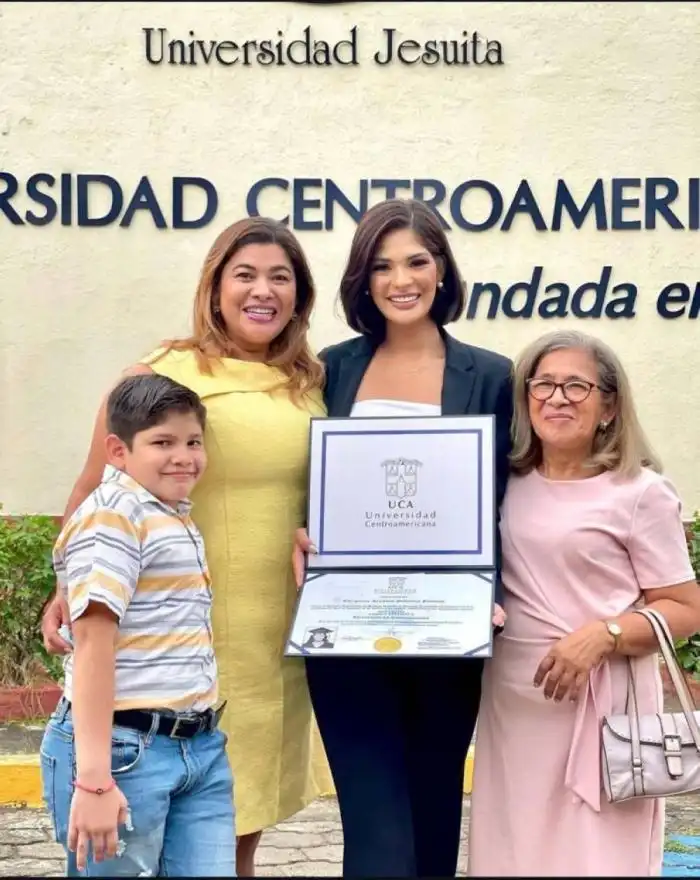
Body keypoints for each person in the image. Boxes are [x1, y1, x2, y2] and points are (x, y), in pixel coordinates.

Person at [41, 217, 329, 876]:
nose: (263, 291)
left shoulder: (306, 380)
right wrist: (68, 586)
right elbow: (96, 484)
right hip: (175, 640)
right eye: (245, 275)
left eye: (280, 277)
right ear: (216, 286)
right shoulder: (163, 371)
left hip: (274, 641)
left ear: (299, 293)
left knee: (236, 833)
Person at [294, 198, 513, 878]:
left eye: (418, 261)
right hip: (347, 633)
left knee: (435, 814)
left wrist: (494, 591)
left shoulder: (493, 375)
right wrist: (297, 531)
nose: (401, 279)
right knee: (377, 831)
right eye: (382, 266)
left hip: (447, 629)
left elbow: (510, 496)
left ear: (443, 271)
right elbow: (292, 473)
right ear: (364, 280)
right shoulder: (329, 369)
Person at [467, 329, 700, 877]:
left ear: (609, 405)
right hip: (514, 706)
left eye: (576, 386)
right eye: (542, 384)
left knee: (594, 858)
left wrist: (604, 635)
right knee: (511, 852)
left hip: (604, 713)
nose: (557, 398)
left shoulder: (640, 492)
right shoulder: (505, 483)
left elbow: (686, 609)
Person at [40, 374, 236, 878]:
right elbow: (92, 650)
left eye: (193, 442)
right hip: (126, 751)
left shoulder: (168, 514)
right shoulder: (114, 517)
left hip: (199, 745)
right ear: (117, 451)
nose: (184, 456)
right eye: (162, 442)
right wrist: (95, 781)